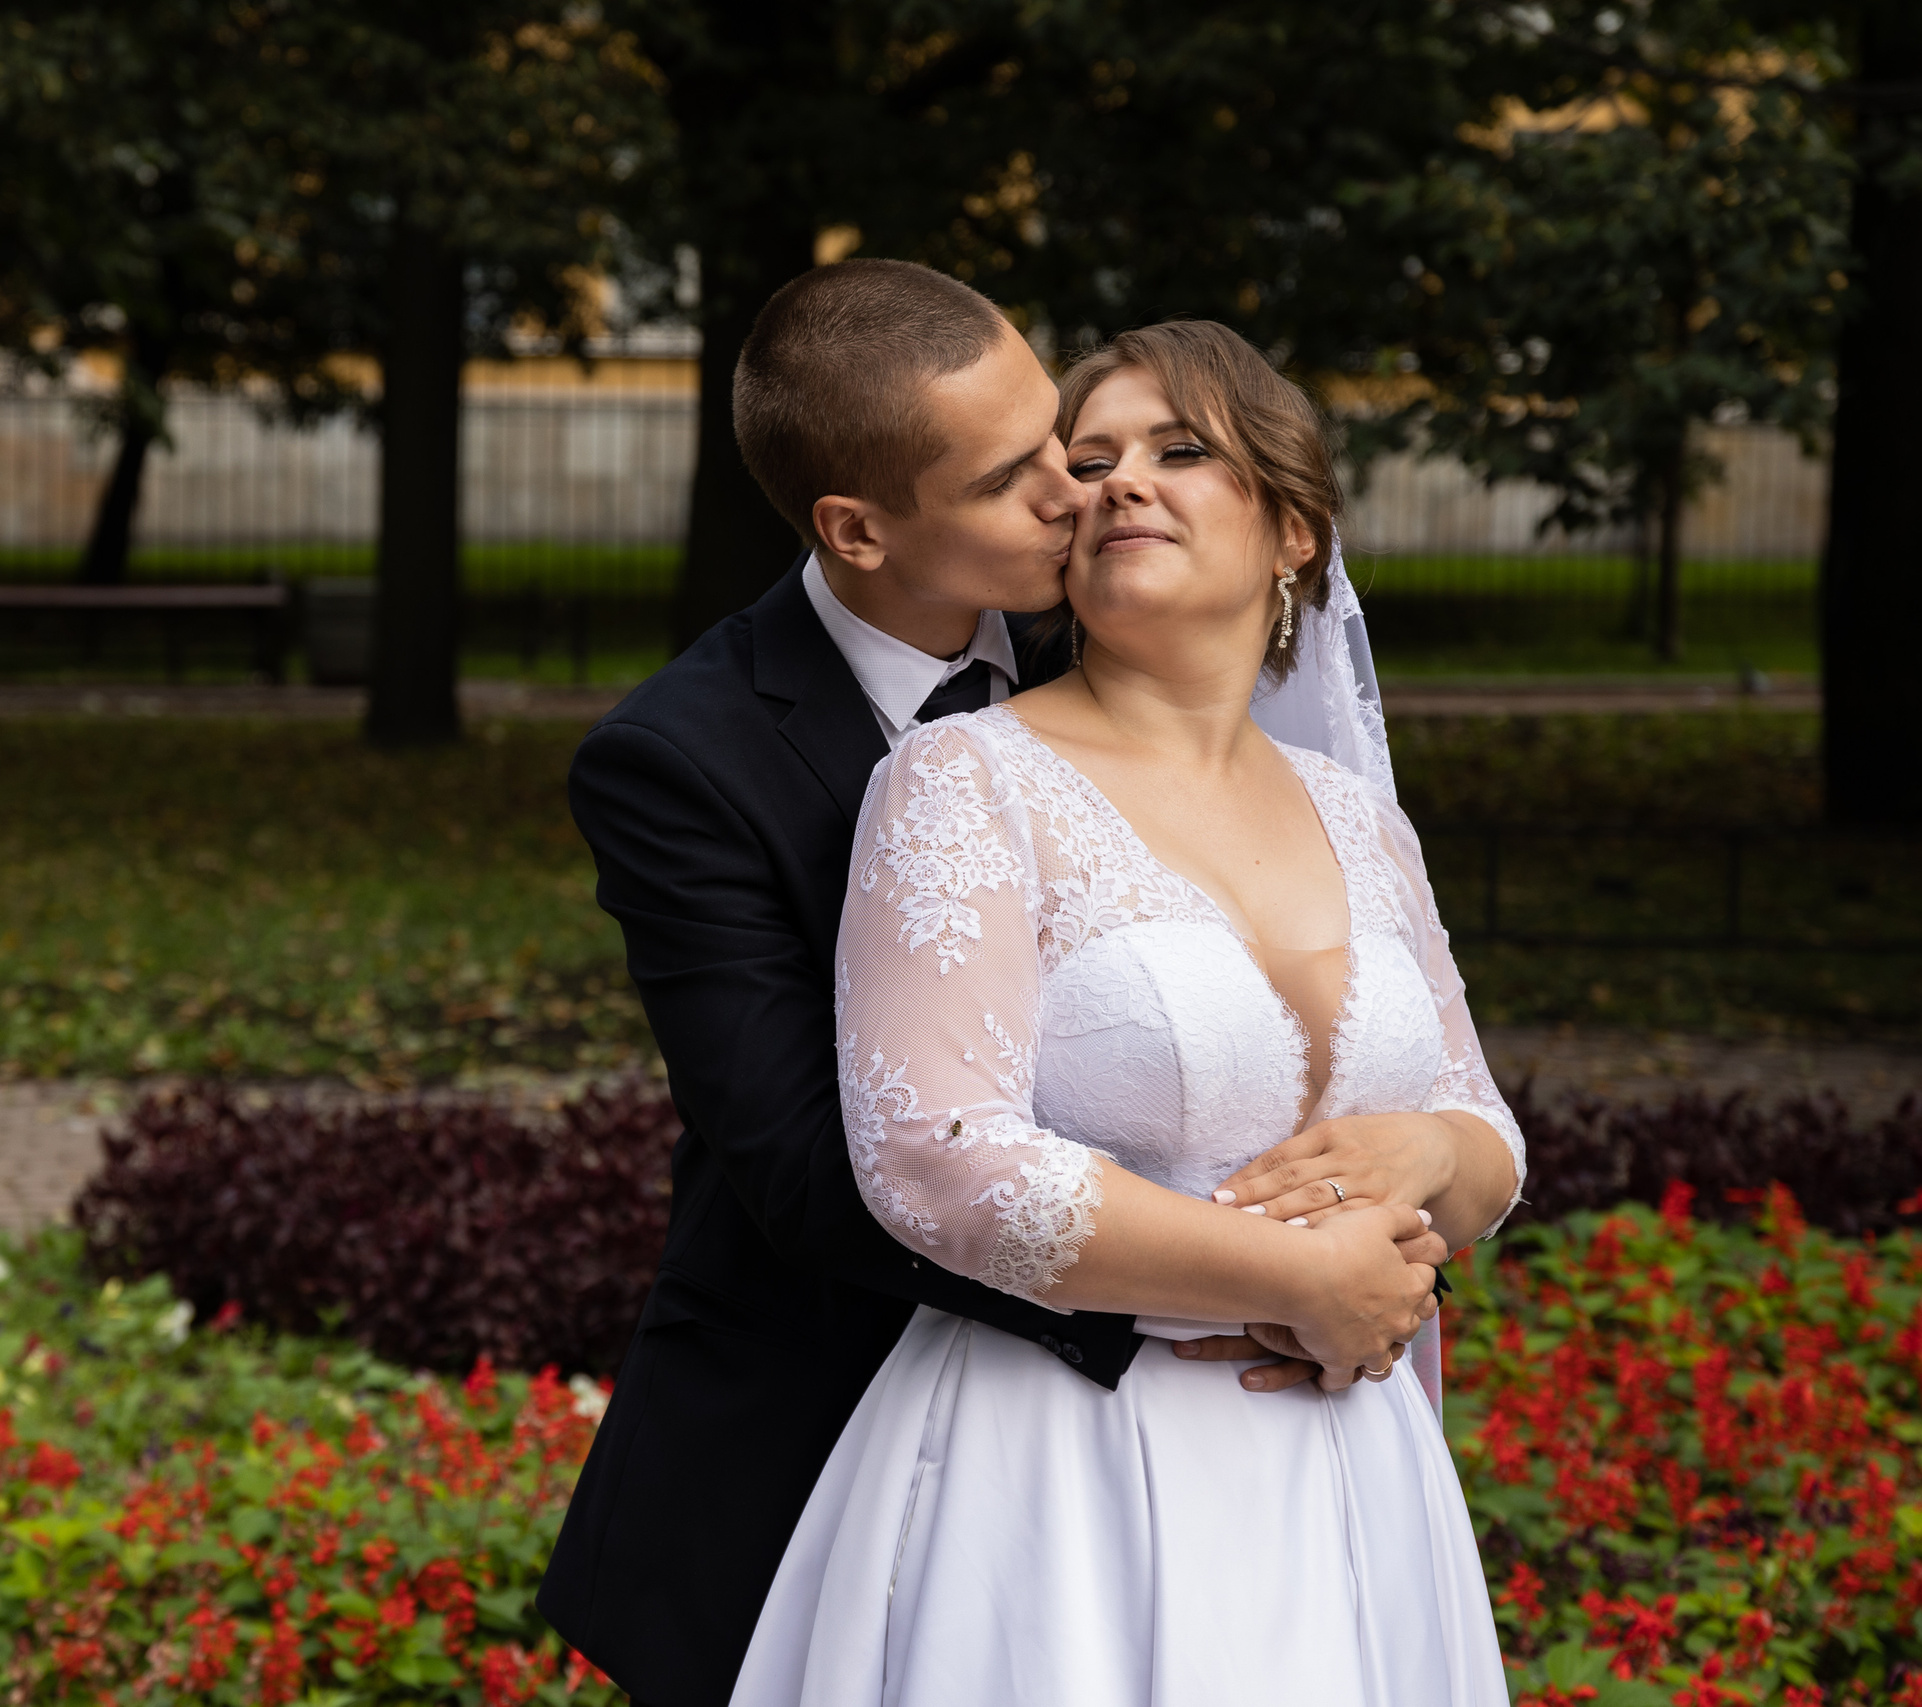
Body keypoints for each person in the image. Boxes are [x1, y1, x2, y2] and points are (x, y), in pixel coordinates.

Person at [537, 262, 1458, 1706]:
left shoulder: (1112, 625)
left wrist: (1416, 1172)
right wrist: (1272, 1288)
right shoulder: (682, 761)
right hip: (835, 1415)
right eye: (1021, 472)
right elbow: (814, 1168)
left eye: (1068, 441)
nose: (1081, 492)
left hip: (1276, 1434)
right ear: (860, 529)